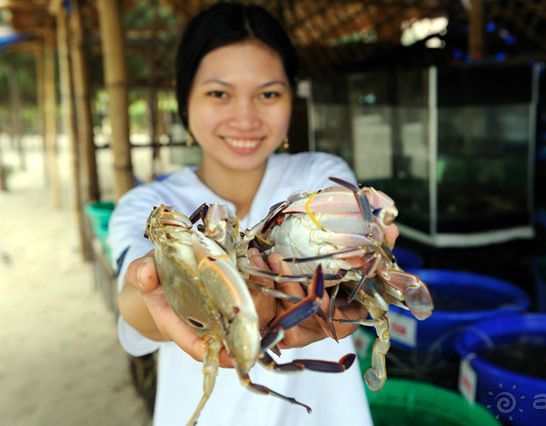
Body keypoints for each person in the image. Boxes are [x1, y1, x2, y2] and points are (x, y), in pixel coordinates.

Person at [109, 3, 397, 426]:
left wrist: (363, 256)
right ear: (184, 98)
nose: (245, 117)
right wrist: (157, 284)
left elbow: (357, 244)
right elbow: (134, 304)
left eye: (268, 94)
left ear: (290, 98)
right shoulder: (146, 204)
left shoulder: (320, 176)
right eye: (219, 93)